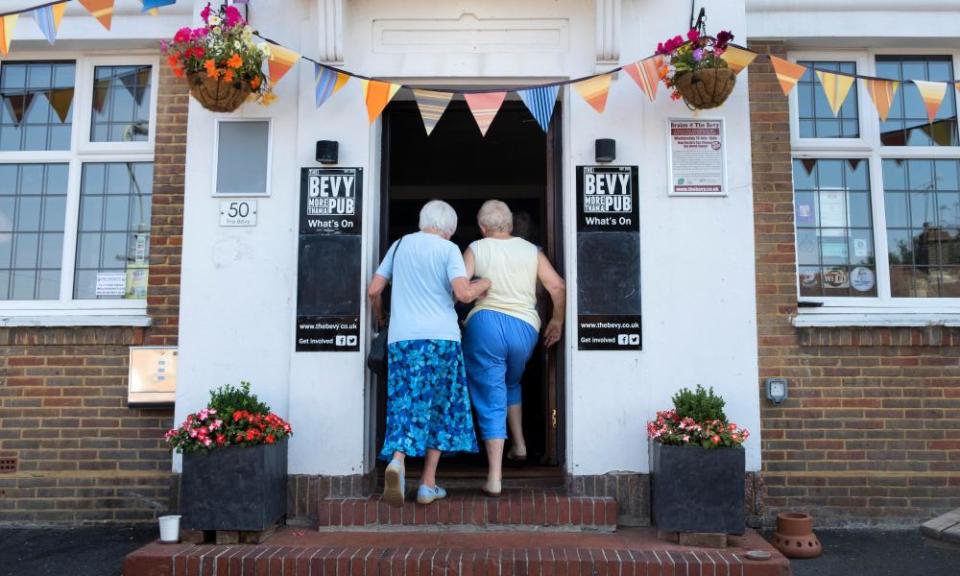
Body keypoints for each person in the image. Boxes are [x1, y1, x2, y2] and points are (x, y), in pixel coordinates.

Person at [367, 200, 491, 507]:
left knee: (405, 401)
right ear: (449, 229)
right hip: (441, 340)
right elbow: (462, 293)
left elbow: (374, 290)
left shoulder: (399, 245)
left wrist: (381, 318)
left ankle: (397, 461)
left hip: (402, 339)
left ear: (424, 222)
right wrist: (484, 284)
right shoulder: (447, 249)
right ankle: (427, 484)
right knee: (441, 407)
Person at [462, 200, 566, 497]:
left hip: (485, 326)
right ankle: (519, 445)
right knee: (510, 381)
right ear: (508, 225)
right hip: (525, 328)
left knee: (491, 391)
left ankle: (494, 476)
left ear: (483, 227)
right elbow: (557, 286)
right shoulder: (532, 251)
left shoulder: (476, 248)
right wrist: (556, 321)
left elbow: (458, 288)